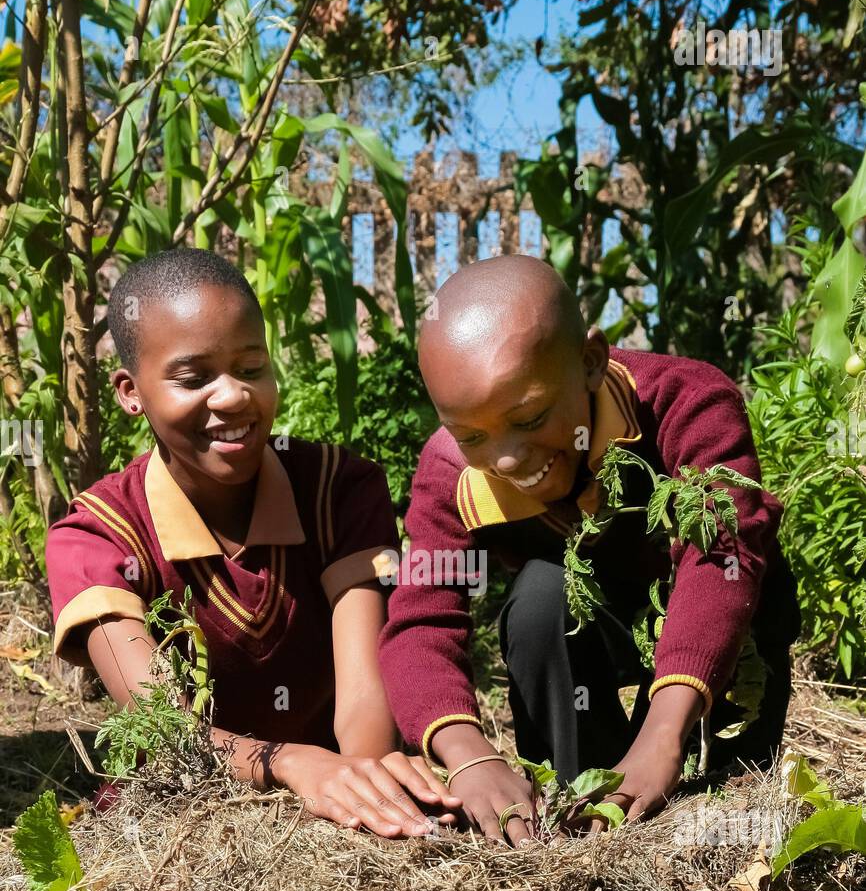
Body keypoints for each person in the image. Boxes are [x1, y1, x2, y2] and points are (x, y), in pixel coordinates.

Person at [378, 255, 800, 845]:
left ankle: (723, 774)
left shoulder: (685, 400)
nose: (505, 457)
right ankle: (586, 804)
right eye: (471, 434)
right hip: (590, 626)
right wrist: (471, 757)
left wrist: (662, 735)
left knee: (734, 810)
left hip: (711, 621)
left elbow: (722, 555)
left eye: (529, 416)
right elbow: (421, 622)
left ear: (591, 362)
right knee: (540, 598)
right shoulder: (449, 473)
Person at [46, 247, 460, 837]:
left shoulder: (337, 489)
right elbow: (164, 727)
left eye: (251, 367)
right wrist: (288, 763)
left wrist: (364, 784)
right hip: (183, 819)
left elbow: (364, 695)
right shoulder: (96, 537)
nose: (234, 396)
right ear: (130, 392)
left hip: (331, 789)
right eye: (194, 378)